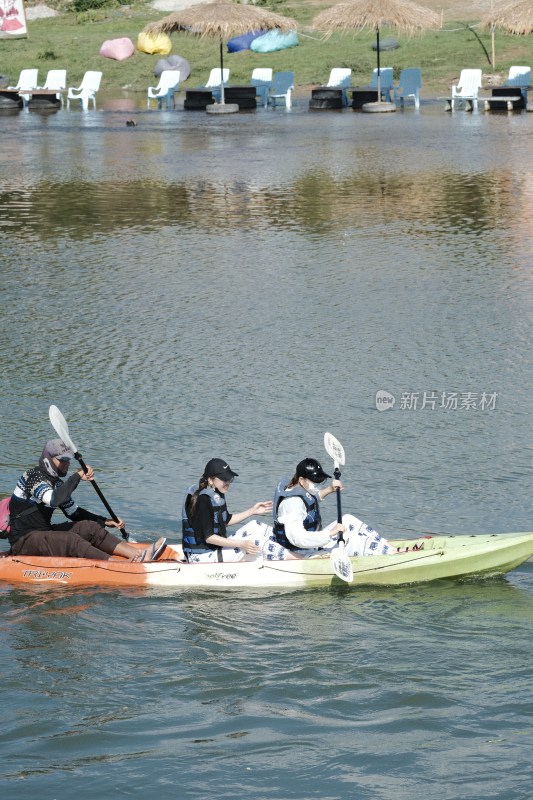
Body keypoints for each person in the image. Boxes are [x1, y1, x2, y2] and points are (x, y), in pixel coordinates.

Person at [7, 439, 166, 562]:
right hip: (23, 541)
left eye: (68, 460)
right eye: (62, 460)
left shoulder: (59, 484)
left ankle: (139, 554)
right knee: (71, 540)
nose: (66, 464)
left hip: (43, 534)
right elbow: (53, 500)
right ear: (48, 459)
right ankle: (116, 566)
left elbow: (73, 513)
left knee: (89, 527)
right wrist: (77, 476)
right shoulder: (32, 477)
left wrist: (104, 522)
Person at [272, 457, 397, 558]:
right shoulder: (293, 503)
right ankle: (392, 554)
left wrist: (330, 489)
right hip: (301, 552)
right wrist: (330, 534)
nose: (317, 485)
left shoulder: (297, 489)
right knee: (351, 539)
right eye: (316, 482)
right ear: (301, 480)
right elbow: (297, 537)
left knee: (348, 519)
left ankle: (385, 545)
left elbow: (309, 502)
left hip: (308, 544)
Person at [182, 457, 293, 563]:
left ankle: (289, 545)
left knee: (254, 525)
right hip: (202, 558)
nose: (228, 483)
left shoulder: (216, 494)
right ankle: (295, 558)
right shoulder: (203, 500)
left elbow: (225, 521)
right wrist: (241, 544)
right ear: (211, 480)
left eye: (229, 479)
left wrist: (252, 511)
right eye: (224, 479)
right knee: (255, 540)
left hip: (214, 550)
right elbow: (209, 538)